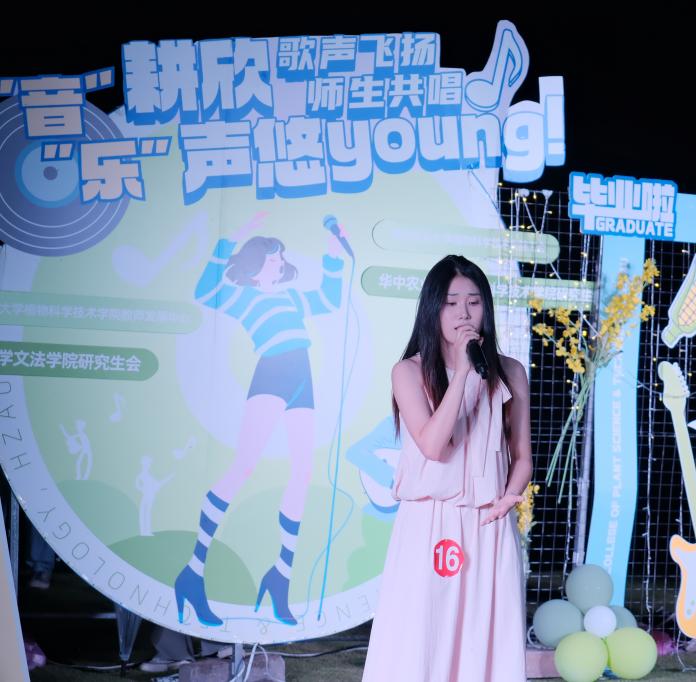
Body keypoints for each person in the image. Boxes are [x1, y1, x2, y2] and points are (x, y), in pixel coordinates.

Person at [362, 255, 532, 682]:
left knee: (484, 637)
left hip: (490, 523)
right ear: (432, 308)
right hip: (430, 523)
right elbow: (434, 446)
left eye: (474, 302)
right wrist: (461, 374)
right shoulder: (408, 372)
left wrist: (509, 498)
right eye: (451, 303)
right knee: (424, 634)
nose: (463, 313)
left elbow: (522, 456)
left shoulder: (511, 371)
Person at [174, 212, 347, 627]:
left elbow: (329, 299)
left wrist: (333, 253)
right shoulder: (244, 298)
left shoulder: (292, 297)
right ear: (254, 267)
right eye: (271, 258)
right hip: (271, 373)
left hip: (302, 376)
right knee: (244, 464)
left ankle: (280, 576)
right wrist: (232, 238)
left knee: (302, 471)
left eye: (280, 257)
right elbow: (204, 290)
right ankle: (193, 571)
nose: (279, 262)